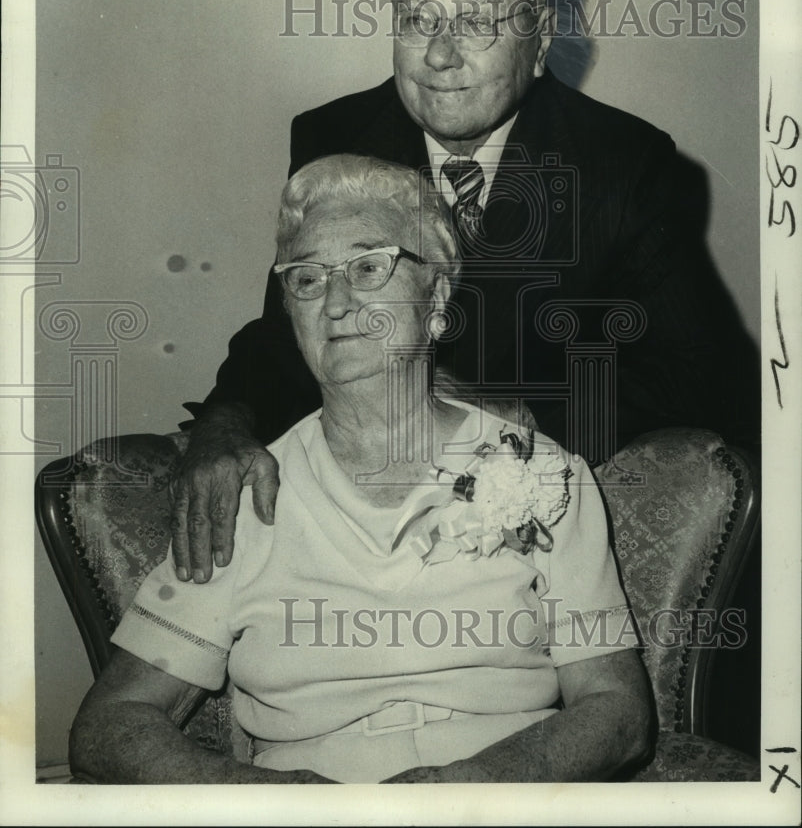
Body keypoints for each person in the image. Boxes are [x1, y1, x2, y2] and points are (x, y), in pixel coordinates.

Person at [171, 0, 759, 583]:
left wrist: (507, 417)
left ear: (539, 44)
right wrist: (223, 421)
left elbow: (695, 374)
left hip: (524, 526)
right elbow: (287, 333)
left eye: (478, 22)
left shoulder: (624, 162)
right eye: (419, 20)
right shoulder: (337, 137)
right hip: (358, 519)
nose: (441, 55)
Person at [69, 156, 653, 784]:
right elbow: (110, 722)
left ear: (437, 295)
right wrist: (262, 796)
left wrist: (471, 786)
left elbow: (618, 710)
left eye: (369, 267)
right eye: (307, 280)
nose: (338, 303)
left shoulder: (544, 476)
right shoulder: (242, 495)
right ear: (290, 313)